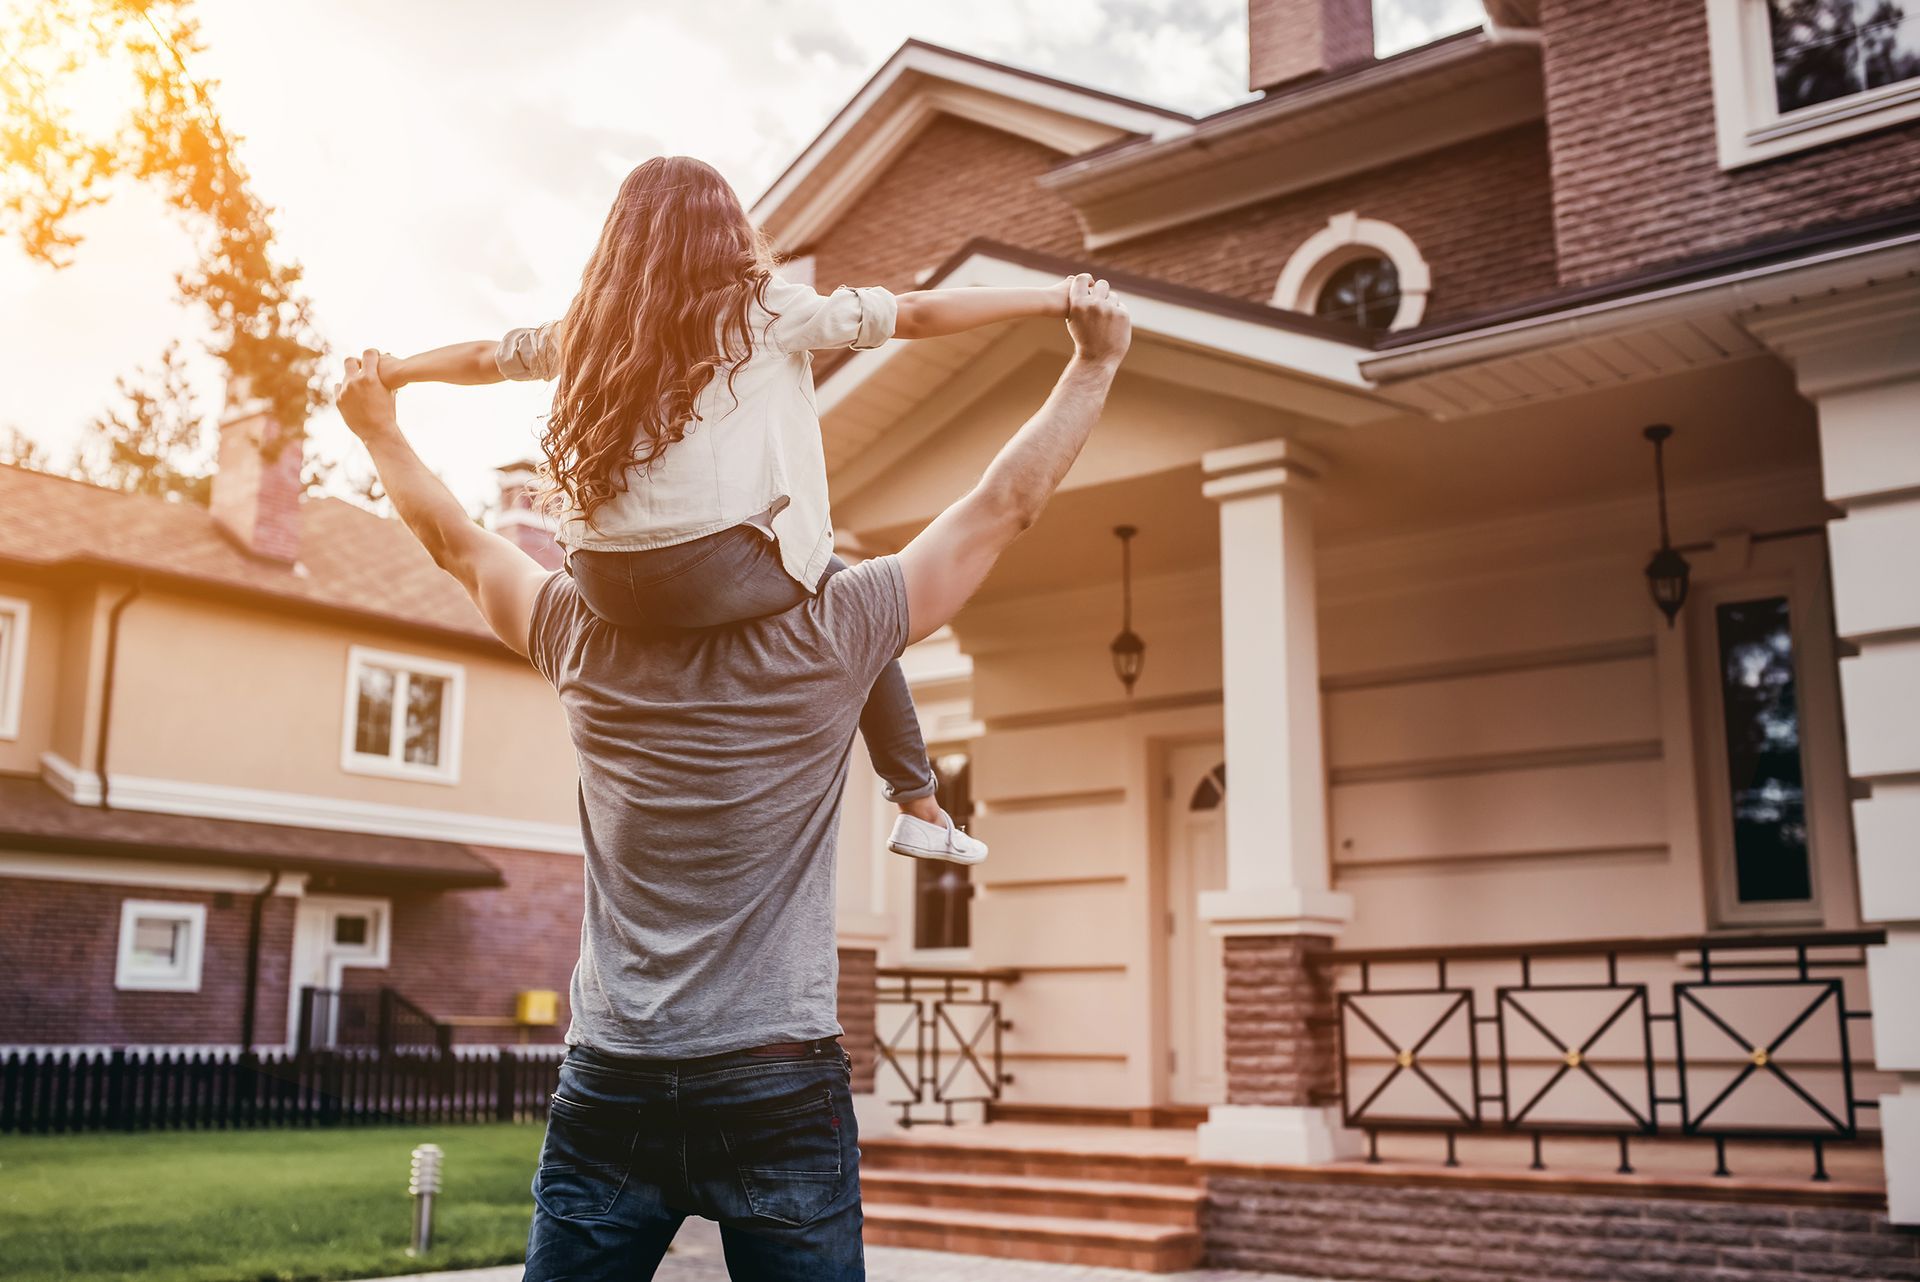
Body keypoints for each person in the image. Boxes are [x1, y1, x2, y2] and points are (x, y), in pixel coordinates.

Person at [334, 272, 1132, 1281]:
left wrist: (381, 431)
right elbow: (1000, 506)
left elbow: (456, 540)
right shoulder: (840, 623)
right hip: (776, 1080)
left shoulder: (575, 630)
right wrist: (1091, 363)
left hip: (614, 1076)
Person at [381, 156, 1078, 867]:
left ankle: (917, 800)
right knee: (854, 600)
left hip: (598, 581)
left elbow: (482, 356)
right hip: (709, 569)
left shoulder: (588, 329)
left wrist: (396, 373)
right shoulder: (766, 307)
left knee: (821, 584)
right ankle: (918, 800)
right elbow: (920, 312)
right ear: (727, 232)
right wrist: (1054, 299)